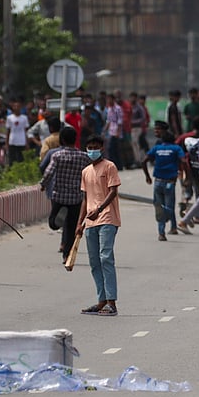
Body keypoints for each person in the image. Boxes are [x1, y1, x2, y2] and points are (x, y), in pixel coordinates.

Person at [78, 135, 122, 316]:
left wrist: (100, 208)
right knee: (94, 261)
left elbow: (113, 191)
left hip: (107, 218)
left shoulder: (110, 166)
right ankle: (101, 300)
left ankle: (111, 302)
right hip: (90, 220)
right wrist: (80, 223)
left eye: (95, 147)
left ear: (102, 148)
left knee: (105, 257)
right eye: (89, 147)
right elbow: (85, 199)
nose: (92, 150)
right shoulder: (86, 171)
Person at [40, 125, 91, 263]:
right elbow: (90, 174)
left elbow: (49, 172)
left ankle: (57, 223)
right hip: (76, 197)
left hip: (59, 195)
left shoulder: (57, 155)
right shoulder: (84, 157)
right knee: (72, 226)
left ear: (61, 139)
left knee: (53, 223)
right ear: (76, 139)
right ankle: (66, 255)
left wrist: (43, 184)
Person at [142, 122, 187, 241]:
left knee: (159, 207)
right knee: (169, 206)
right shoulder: (176, 148)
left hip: (157, 181)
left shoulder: (157, 147)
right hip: (170, 182)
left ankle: (161, 232)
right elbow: (184, 161)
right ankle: (172, 225)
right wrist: (184, 174)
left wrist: (147, 176)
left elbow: (144, 160)